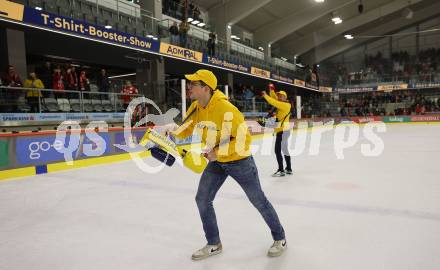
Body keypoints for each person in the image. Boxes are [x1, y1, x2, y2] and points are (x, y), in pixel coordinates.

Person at [169, 69, 287, 260]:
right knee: (202, 199)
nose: (189, 87)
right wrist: (172, 131)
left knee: (258, 201)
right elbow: (187, 128)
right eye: (189, 83)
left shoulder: (226, 109)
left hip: (239, 161)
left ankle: (280, 237)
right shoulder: (196, 107)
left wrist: (217, 152)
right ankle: (214, 243)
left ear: (205, 88)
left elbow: (244, 139)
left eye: (193, 84)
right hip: (217, 161)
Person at [262, 83, 292, 177]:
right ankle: (289, 168)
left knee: (277, 150)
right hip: (284, 131)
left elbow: (274, 102)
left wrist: (265, 95)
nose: (279, 97)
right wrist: (271, 90)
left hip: (282, 131)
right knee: (284, 149)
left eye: (281, 96)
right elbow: (275, 98)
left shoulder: (285, 105)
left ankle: (281, 170)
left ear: (285, 98)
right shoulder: (282, 103)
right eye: (278, 95)